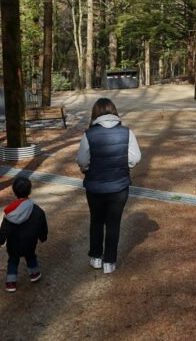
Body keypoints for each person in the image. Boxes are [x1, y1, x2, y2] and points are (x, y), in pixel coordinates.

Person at [76, 98, 141, 274]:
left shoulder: (89, 134)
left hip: (94, 187)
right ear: (114, 111)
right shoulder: (127, 132)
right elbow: (135, 157)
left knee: (96, 221)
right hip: (119, 187)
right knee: (113, 223)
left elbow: (82, 160)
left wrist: (87, 169)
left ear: (95, 113)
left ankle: (96, 258)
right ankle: (109, 262)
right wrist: (125, 166)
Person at [0, 176, 49, 292]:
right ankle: (34, 274)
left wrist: (0, 240)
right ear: (30, 191)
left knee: (13, 261)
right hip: (30, 242)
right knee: (31, 256)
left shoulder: (10, 212)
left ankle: (11, 283)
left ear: (15, 192)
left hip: (13, 244)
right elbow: (42, 225)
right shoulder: (37, 210)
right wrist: (43, 237)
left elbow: (4, 229)